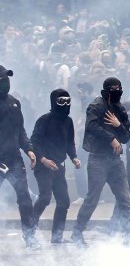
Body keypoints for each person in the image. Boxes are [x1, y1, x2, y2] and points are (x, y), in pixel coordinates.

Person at [72, 77, 130, 246]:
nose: (117, 91)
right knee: (92, 198)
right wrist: (111, 138)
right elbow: (91, 126)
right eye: (113, 88)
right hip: (98, 159)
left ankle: (128, 234)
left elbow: (127, 136)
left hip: (115, 161)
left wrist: (118, 125)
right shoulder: (96, 106)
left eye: (119, 88)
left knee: (124, 199)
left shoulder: (120, 109)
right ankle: (77, 232)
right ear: (106, 90)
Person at [30, 89, 81, 244]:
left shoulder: (69, 121)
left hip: (59, 166)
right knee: (45, 198)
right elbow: (34, 141)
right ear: (53, 102)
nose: (65, 104)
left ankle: (57, 237)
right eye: (61, 101)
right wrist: (43, 159)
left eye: (67, 101)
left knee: (64, 201)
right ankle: (29, 231)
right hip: (43, 166)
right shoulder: (44, 120)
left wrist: (74, 157)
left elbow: (70, 143)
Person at [0, 65, 39, 249]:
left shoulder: (14, 102)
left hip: (14, 159)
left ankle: (30, 236)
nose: (5, 82)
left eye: (7, 79)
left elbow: (20, 130)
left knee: (24, 198)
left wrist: (29, 149)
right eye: (2, 79)